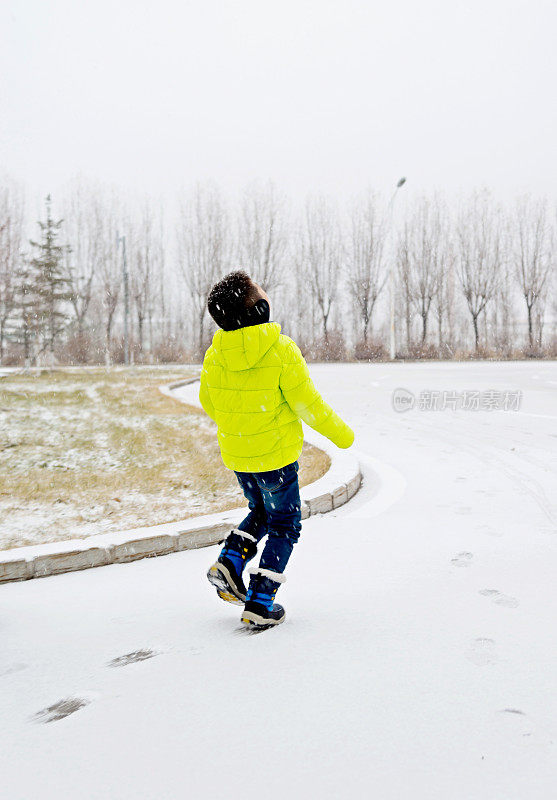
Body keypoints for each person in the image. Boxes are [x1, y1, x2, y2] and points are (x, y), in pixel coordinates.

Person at [199, 270, 354, 628]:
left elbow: (209, 401)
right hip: (277, 459)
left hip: (240, 456)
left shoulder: (216, 354)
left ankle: (230, 561)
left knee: (260, 511)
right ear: (260, 310)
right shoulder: (280, 349)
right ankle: (261, 601)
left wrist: (243, 426)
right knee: (285, 523)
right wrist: (342, 435)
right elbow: (308, 404)